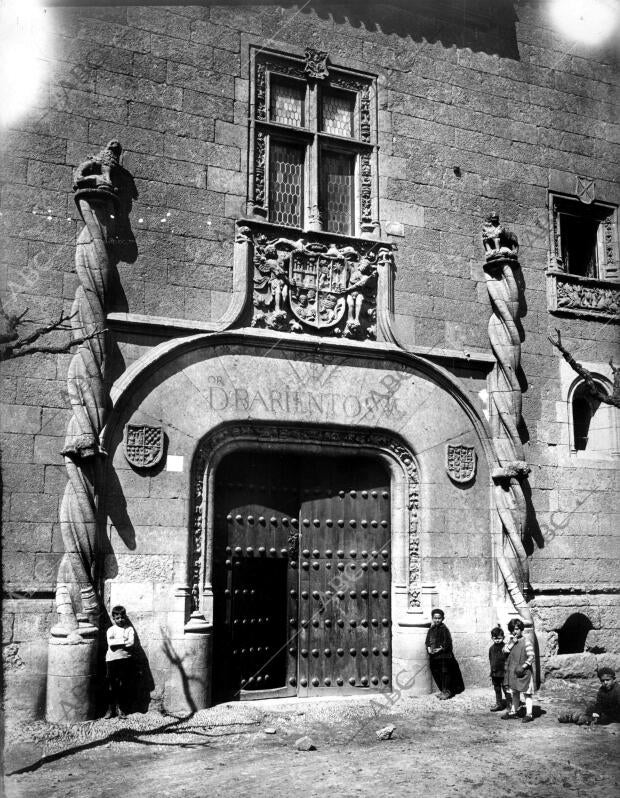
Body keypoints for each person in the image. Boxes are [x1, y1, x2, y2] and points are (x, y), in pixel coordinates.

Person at [501, 618, 537, 724]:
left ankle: (529, 714)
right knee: (515, 692)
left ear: (521, 629)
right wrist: (512, 642)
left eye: (516, 629)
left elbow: (531, 656)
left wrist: (524, 666)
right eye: (512, 629)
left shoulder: (526, 641)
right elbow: (504, 651)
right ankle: (513, 712)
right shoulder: (511, 641)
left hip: (524, 672)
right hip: (514, 673)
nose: (514, 632)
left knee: (527, 693)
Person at [425, 608, 465, 699]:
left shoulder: (444, 629)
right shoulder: (431, 630)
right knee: (438, 674)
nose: (437, 620)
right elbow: (427, 641)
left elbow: (448, 643)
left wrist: (440, 649)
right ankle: (443, 690)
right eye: (435, 618)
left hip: (444, 657)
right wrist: (428, 649)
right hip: (434, 657)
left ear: (443, 618)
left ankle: (447, 692)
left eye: (439, 618)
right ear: (432, 618)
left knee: (445, 674)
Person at [105, 605, 135, 719]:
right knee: (111, 685)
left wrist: (118, 642)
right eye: (117, 618)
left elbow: (131, 643)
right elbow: (111, 643)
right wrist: (124, 640)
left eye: (122, 617)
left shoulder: (129, 629)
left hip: (125, 659)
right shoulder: (111, 630)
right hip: (112, 660)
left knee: (123, 684)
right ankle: (110, 709)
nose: (120, 620)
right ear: (113, 618)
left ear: (125, 617)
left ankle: (121, 709)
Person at [489, 625, 510, 711]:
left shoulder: (506, 648)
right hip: (495, 673)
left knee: (506, 690)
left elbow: (509, 660)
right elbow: (491, 660)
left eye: (499, 638)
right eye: (495, 638)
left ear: (503, 637)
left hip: (504, 673)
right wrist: (492, 672)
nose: (497, 640)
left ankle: (510, 705)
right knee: (497, 689)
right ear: (492, 638)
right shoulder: (491, 649)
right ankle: (499, 704)